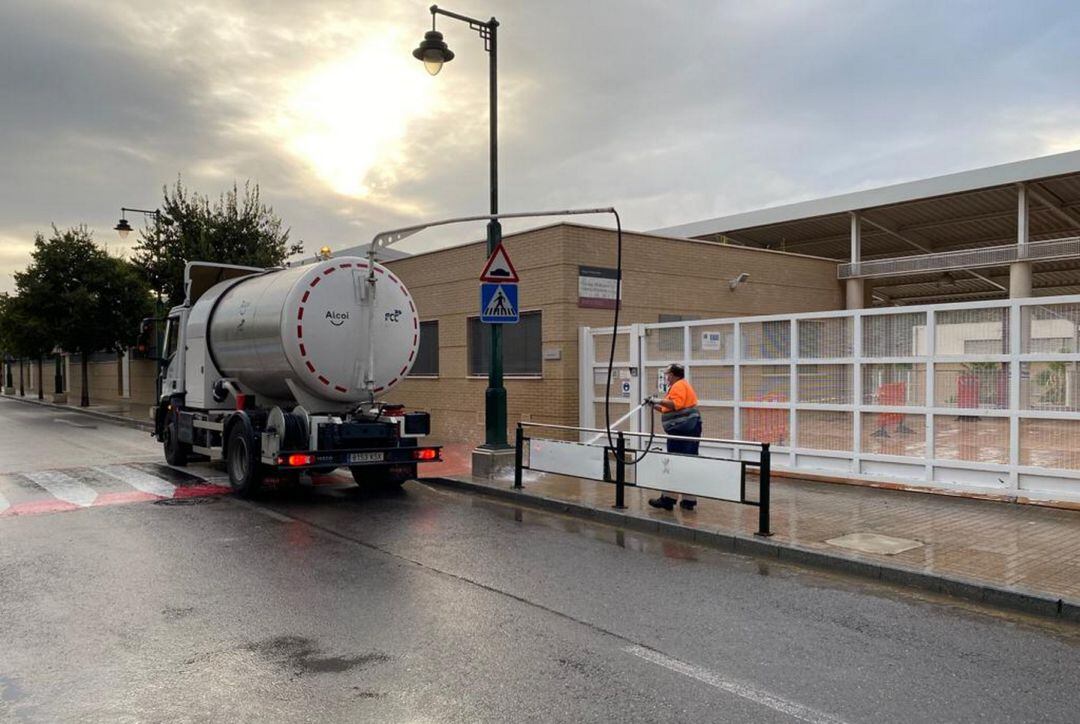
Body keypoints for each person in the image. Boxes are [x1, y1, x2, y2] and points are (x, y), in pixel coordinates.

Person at [648, 363, 702, 512]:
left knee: (675, 461)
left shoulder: (679, 386)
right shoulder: (682, 385)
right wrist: (654, 405)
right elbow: (669, 408)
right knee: (687, 462)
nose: (667, 377)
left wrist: (657, 400)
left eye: (668, 374)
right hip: (690, 428)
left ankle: (668, 499)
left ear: (674, 375)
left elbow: (675, 404)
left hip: (683, 431)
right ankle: (688, 501)